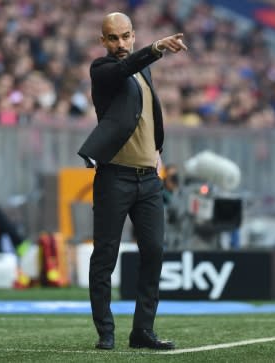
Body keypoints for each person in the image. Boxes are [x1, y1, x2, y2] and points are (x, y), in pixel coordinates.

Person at [77, 12, 187, 350]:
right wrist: (156, 47)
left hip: (148, 180)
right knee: (105, 255)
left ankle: (142, 331)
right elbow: (125, 68)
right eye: (113, 38)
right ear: (103, 41)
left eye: (125, 36)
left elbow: (148, 114)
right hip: (114, 178)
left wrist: (157, 150)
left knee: (154, 251)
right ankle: (105, 332)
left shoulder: (145, 70)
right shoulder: (103, 70)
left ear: (133, 35)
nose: (120, 44)